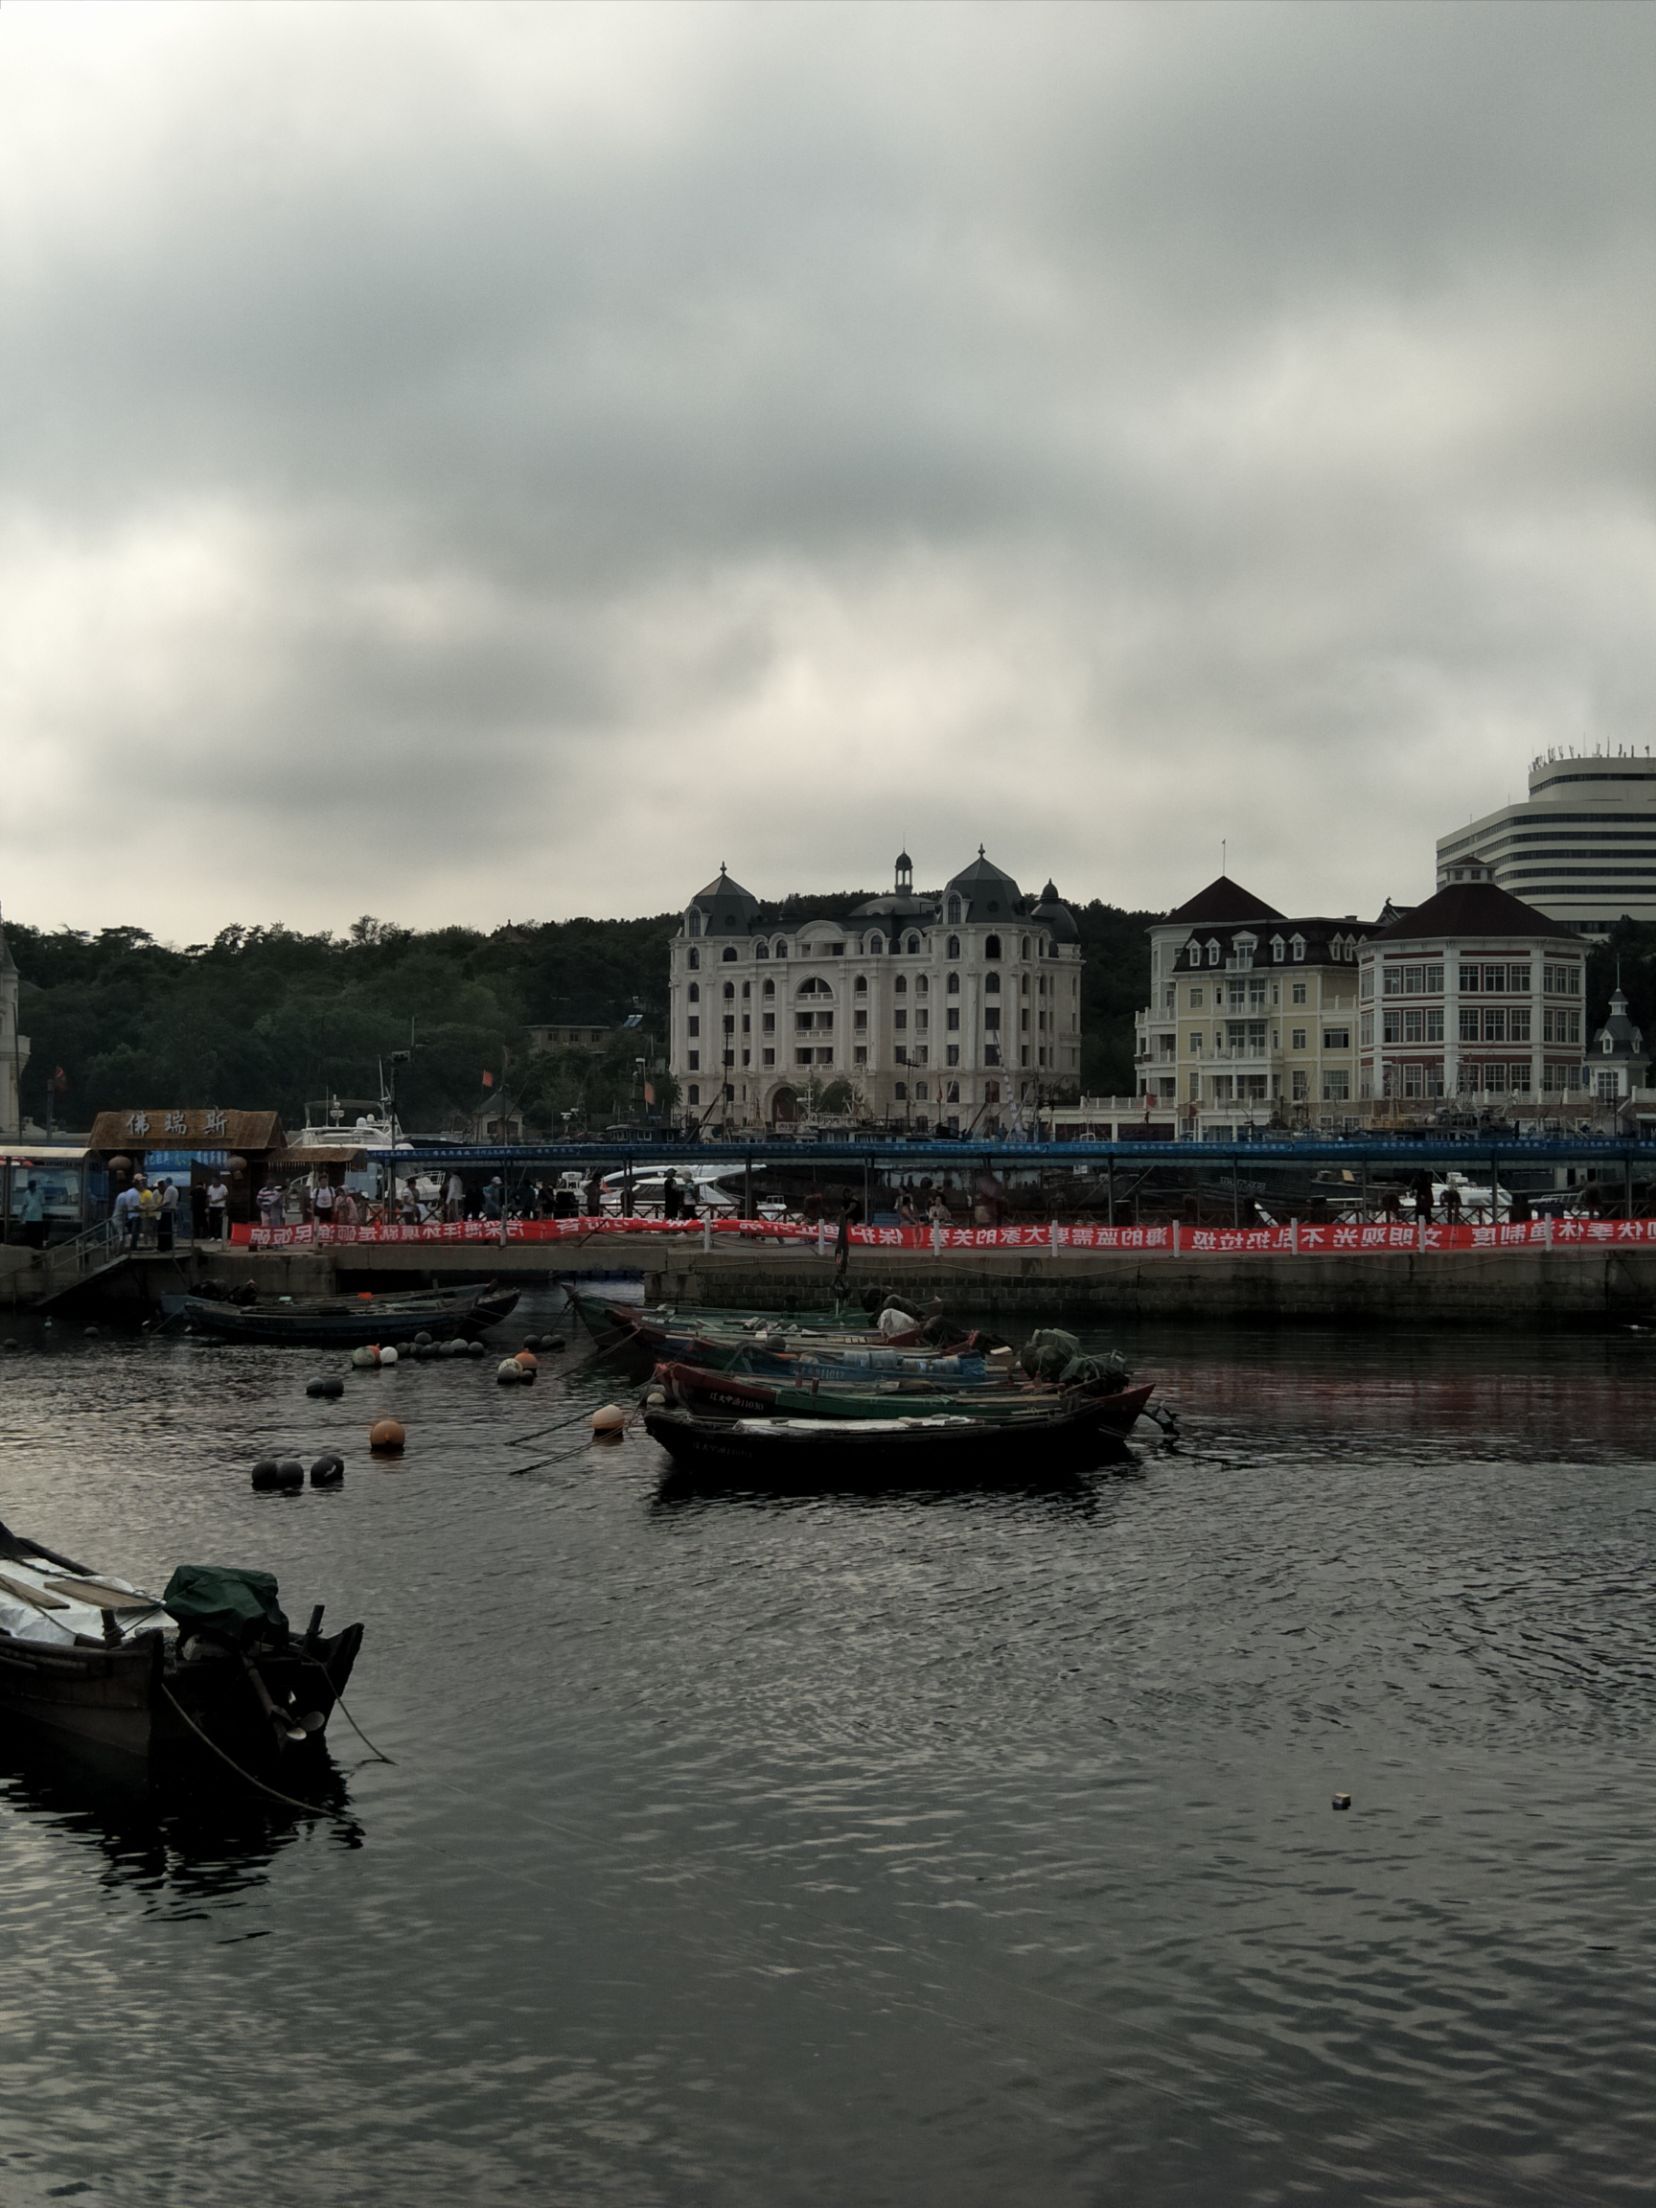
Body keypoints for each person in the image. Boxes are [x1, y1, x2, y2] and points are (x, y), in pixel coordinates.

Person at [834, 1195, 861, 1282]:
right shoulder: (842, 1223)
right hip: (841, 1249)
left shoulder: (846, 1221)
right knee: (841, 1249)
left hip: (843, 1249)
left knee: (844, 1249)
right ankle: (840, 1268)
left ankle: (841, 1268)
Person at [113, 1179, 142, 1252]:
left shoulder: (122, 1195)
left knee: (122, 1235)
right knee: (121, 1236)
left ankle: (119, 1250)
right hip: (118, 1219)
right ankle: (119, 1251)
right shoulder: (124, 1196)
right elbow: (127, 1206)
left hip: (119, 1218)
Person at [18, 1178, 47, 1252]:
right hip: (29, 1217)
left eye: (32, 1188)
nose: (31, 1189)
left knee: (37, 1234)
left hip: (38, 1217)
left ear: (35, 1186)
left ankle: (38, 1248)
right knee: (29, 1234)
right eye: (30, 1188)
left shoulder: (40, 1193)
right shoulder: (26, 1193)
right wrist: (21, 1214)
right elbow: (24, 1205)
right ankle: (30, 1248)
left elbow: (43, 1203)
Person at [156, 1177, 179, 1253]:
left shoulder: (169, 1189)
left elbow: (167, 1202)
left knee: (162, 1230)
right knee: (169, 1230)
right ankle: (169, 1247)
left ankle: (162, 1247)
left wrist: (158, 1207)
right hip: (172, 1211)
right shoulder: (175, 1189)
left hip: (167, 1212)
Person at [206, 1174, 230, 1240]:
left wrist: (217, 1200)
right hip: (212, 1206)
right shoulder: (210, 1187)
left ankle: (219, 1236)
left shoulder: (223, 1187)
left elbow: (225, 1197)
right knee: (212, 1221)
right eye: (212, 1180)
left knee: (219, 1221)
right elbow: (209, 1196)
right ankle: (212, 1236)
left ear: (218, 1180)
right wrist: (210, 1201)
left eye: (214, 1180)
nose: (213, 1181)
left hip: (220, 1206)